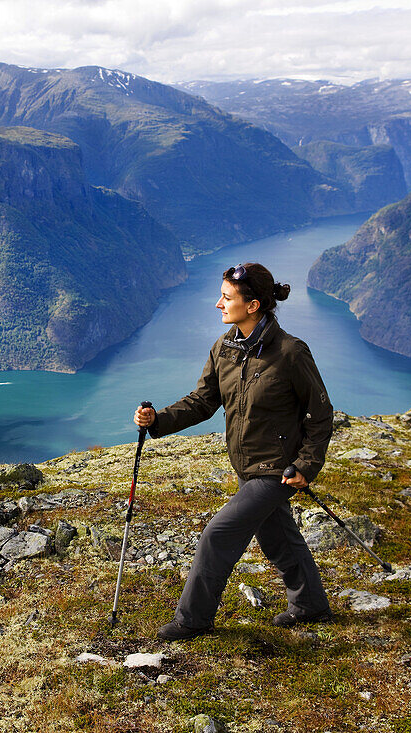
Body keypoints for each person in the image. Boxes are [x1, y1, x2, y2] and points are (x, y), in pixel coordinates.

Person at [134, 262, 334, 640]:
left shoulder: (290, 353)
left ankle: (193, 619)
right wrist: (157, 420)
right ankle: (310, 605)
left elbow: (320, 414)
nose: (218, 304)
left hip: (276, 470)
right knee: (277, 537)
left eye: (226, 298)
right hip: (245, 466)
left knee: (218, 535)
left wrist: (307, 464)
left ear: (253, 304)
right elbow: (202, 401)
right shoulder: (225, 347)